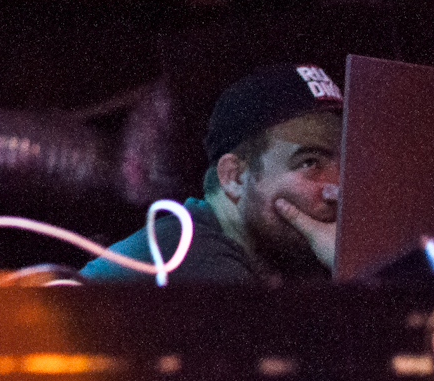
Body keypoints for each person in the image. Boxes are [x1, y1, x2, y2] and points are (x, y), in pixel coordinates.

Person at [80, 63, 342, 284]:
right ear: (234, 177)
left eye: (344, 165)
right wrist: (350, 270)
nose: (337, 189)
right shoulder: (192, 255)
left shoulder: (249, 254)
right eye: (310, 163)